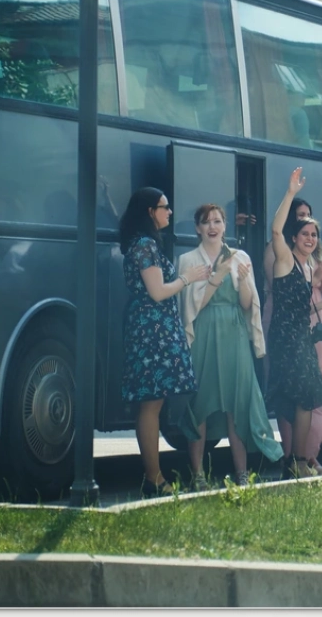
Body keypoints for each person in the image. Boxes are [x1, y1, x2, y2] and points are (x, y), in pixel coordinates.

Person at [177, 204, 282, 488]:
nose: (212, 227)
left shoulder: (240, 256)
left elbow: (247, 304)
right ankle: (198, 475)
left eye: (217, 221)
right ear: (198, 228)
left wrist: (245, 280)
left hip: (234, 333)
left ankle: (242, 474)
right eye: (206, 222)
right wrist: (218, 274)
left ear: (225, 226)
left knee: (238, 403)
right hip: (203, 333)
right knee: (199, 404)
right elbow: (193, 308)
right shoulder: (187, 260)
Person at [118, 187, 203, 497]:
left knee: (153, 402)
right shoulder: (145, 246)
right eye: (164, 207)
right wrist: (187, 278)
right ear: (150, 212)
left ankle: (154, 476)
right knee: (151, 404)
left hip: (151, 327)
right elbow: (157, 292)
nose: (169, 211)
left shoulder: (142, 244)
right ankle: (153, 478)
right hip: (151, 330)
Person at [267, 168, 322, 478]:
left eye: (314, 235)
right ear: (294, 238)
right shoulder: (285, 259)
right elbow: (275, 231)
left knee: (306, 400)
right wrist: (290, 193)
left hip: (302, 336)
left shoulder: (309, 269)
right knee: (301, 398)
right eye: (305, 234)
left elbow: (305, 308)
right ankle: (296, 461)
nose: (310, 239)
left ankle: (297, 461)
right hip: (286, 339)